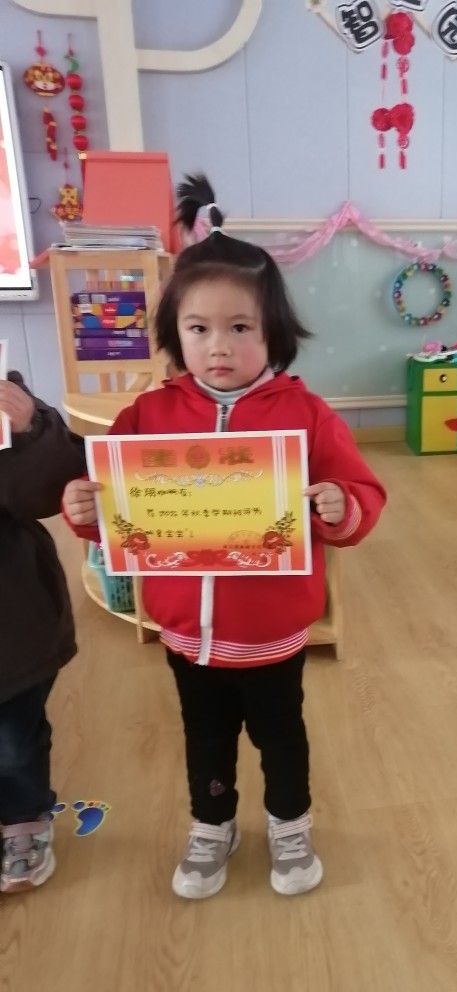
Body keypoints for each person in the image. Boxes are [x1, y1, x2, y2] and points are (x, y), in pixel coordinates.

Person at [63, 174, 386, 901]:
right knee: (205, 738)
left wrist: (339, 504)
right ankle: (213, 826)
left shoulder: (308, 415)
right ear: (175, 334)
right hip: (185, 632)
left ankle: (289, 823)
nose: (218, 346)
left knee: (281, 736)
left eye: (240, 328)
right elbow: (111, 511)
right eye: (199, 328)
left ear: (273, 332)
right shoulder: (147, 417)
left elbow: (364, 497)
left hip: (272, 631)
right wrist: (83, 506)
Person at [0, 372, 86, 893]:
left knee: (13, 740)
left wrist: (29, 427)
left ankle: (24, 819)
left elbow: (53, 487)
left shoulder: (7, 397)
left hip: (11, 622)